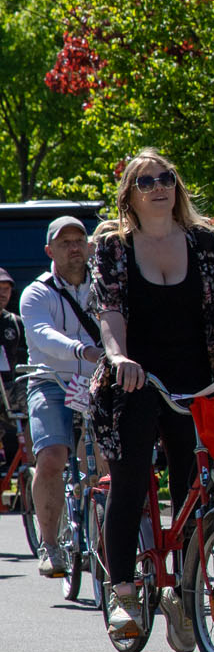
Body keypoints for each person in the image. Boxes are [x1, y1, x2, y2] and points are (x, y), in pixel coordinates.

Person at [90, 150, 214, 645]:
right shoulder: (114, 248)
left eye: (165, 178)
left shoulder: (203, 243)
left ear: (177, 186)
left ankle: (185, 592)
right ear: (130, 194)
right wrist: (118, 359)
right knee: (130, 483)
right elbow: (109, 312)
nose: (157, 187)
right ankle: (124, 591)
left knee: (199, 486)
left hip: (196, 381)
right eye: (145, 181)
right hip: (136, 379)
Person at [18, 216, 103, 577]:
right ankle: (50, 545)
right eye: (65, 242)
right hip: (51, 380)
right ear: (50, 250)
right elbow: (41, 334)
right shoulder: (37, 292)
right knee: (52, 457)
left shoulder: (103, 287)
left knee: (106, 462)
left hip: (98, 382)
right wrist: (80, 350)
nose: (73, 248)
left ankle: (106, 541)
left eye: (79, 240)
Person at [0, 267, 27, 470]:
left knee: (38, 406)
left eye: (6, 289)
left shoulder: (15, 322)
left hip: (11, 386)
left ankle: (33, 458)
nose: (3, 294)